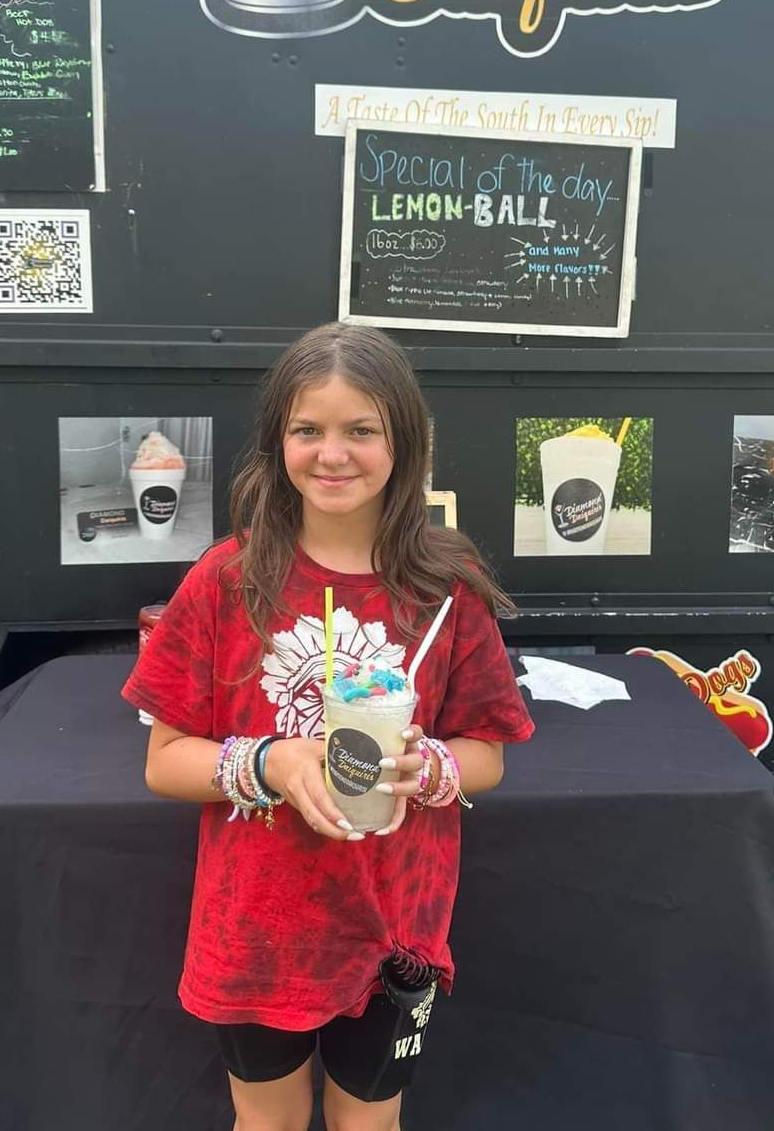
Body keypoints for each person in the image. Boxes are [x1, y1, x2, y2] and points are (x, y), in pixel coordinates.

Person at [122, 322, 533, 1131]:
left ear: (404, 443)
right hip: (257, 925)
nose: (332, 453)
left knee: (368, 1124)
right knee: (267, 1123)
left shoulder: (448, 590)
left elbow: (488, 753)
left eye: (361, 430)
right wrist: (273, 761)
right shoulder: (227, 580)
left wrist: (434, 772)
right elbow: (163, 763)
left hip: (394, 928)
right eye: (307, 430)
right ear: (278, 442)